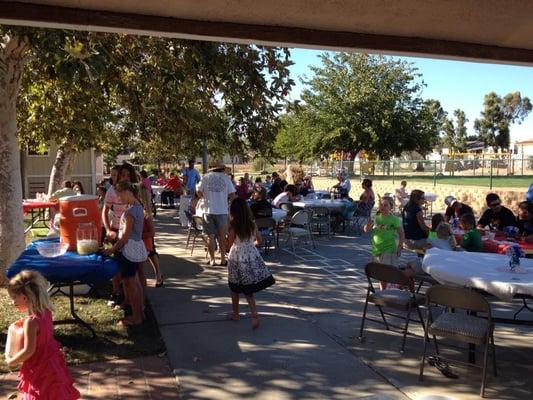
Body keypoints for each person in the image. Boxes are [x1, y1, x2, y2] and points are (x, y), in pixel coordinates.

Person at [6, 270, 80, 399]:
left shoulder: (31, 322)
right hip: (51, 364)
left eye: (14, 297)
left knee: (39, 394)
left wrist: (12, 361)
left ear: (25, 296)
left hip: (38, 367)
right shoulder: (46, 312)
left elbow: (29, 350)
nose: (13, 302)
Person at [103, 181, 147, 325]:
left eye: (120, 196)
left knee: (130, 284)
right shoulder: (138, 207)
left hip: (128, 251)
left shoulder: (130, 213)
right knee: (135, 282)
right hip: (135, 248)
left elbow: (124, 238)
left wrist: (112, 249)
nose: (119, 199)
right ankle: (140, 312)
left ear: (128, 193)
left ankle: (136, 317)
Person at [226, 198, 275, 329]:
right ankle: (254, 314)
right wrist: (250, 245)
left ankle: (236, 314)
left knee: (234, 287)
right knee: (248, 289)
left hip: (236, 258)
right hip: (251, 256)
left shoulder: (233, 226)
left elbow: (229, 244)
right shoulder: (252, 224)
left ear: (233, 211)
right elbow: (259, 241)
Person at [198, 161, 236, 266]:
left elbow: (198, 191)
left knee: (210, 237)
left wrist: (205, 197)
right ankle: (223, 259)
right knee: (222, 237)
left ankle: (212, 260)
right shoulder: (226, 178)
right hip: (222, 211)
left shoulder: (205, 177)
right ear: (222, 169)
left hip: (208, 211)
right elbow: (233, 195)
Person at [364, 197, 405, 289]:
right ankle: (385, 292)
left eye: (385, 205)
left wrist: (399, 247)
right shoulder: (376, 218)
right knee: (380, 274)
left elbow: (401, 233)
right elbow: (366, 230)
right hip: (376, 249)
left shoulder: (394, 219)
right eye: (381, 205)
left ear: (391, 207)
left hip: (389, 249)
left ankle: (386, 291)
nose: (382, 207)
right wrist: (369, 222)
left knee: (385, 274)